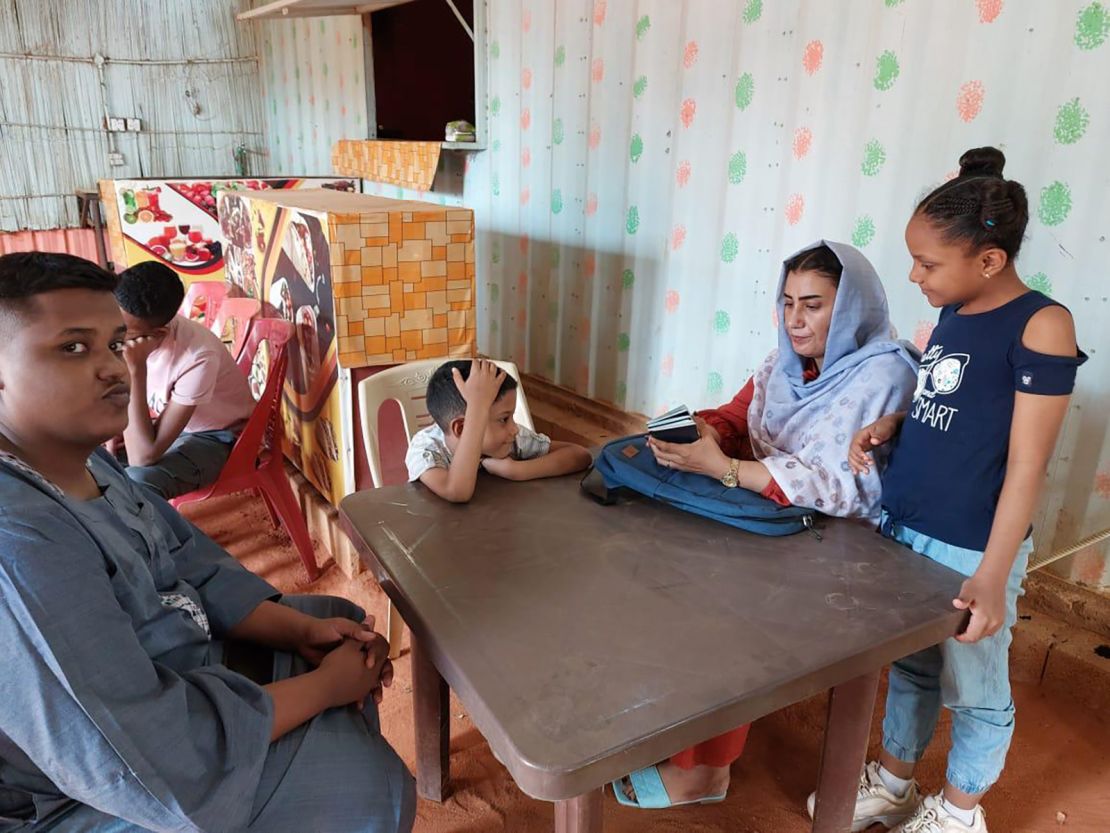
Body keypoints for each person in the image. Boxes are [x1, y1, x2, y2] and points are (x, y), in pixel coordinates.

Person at [0, 252, 415, 833]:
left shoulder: (85, 458)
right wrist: (322, 690)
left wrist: (301, 631)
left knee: (334, 619)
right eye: (73, 348)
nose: (114, 368)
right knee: (369, 792)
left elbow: (188, 559)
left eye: (117, 344)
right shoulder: (19, 540)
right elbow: (142, 753)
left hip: (174, 669)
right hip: (82, 791)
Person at [818, 147, 1087, 833]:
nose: (914, 275)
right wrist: (895, 423)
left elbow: (1027, 463)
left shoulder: (1042, 325)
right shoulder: (955, 311)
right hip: (906, 522)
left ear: (989, 260)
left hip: (971, 544)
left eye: (927, 263)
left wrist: (993, 575)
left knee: (974, 687)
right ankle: (897, 782)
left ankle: (961, 812)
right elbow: (960, 406)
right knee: (908, 665)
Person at [614, 240, 920, 809]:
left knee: (727, 612)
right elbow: (739, 416)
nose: (795, 321)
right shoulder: (788, 365)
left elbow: (843, 487)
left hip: (842, 540)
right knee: (665, 575)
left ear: (851, 308)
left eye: (814, 305)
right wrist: (705, 433)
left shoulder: (883, 377)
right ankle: (674, 737)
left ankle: (705, 773)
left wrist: (726, 468)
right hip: (772, 517)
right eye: (786, 303)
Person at [113, 260, 256, 499]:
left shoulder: (197, 357)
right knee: (83, 449)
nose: (114, 340)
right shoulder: (131, 333)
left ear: (159, 334)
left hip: (219, 439)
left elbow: (143, 456)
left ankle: (157, 537)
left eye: (125, 336)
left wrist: (135, 370)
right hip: (173, 426)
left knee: (139, 483)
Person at [405, 358, 593, 503]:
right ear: (461, 428)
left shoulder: (511, 439)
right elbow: (456, 491)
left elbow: (580, 456)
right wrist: (478, 408)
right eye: (504, 419)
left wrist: (518, 470)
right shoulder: (426, 450)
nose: (514, 429)